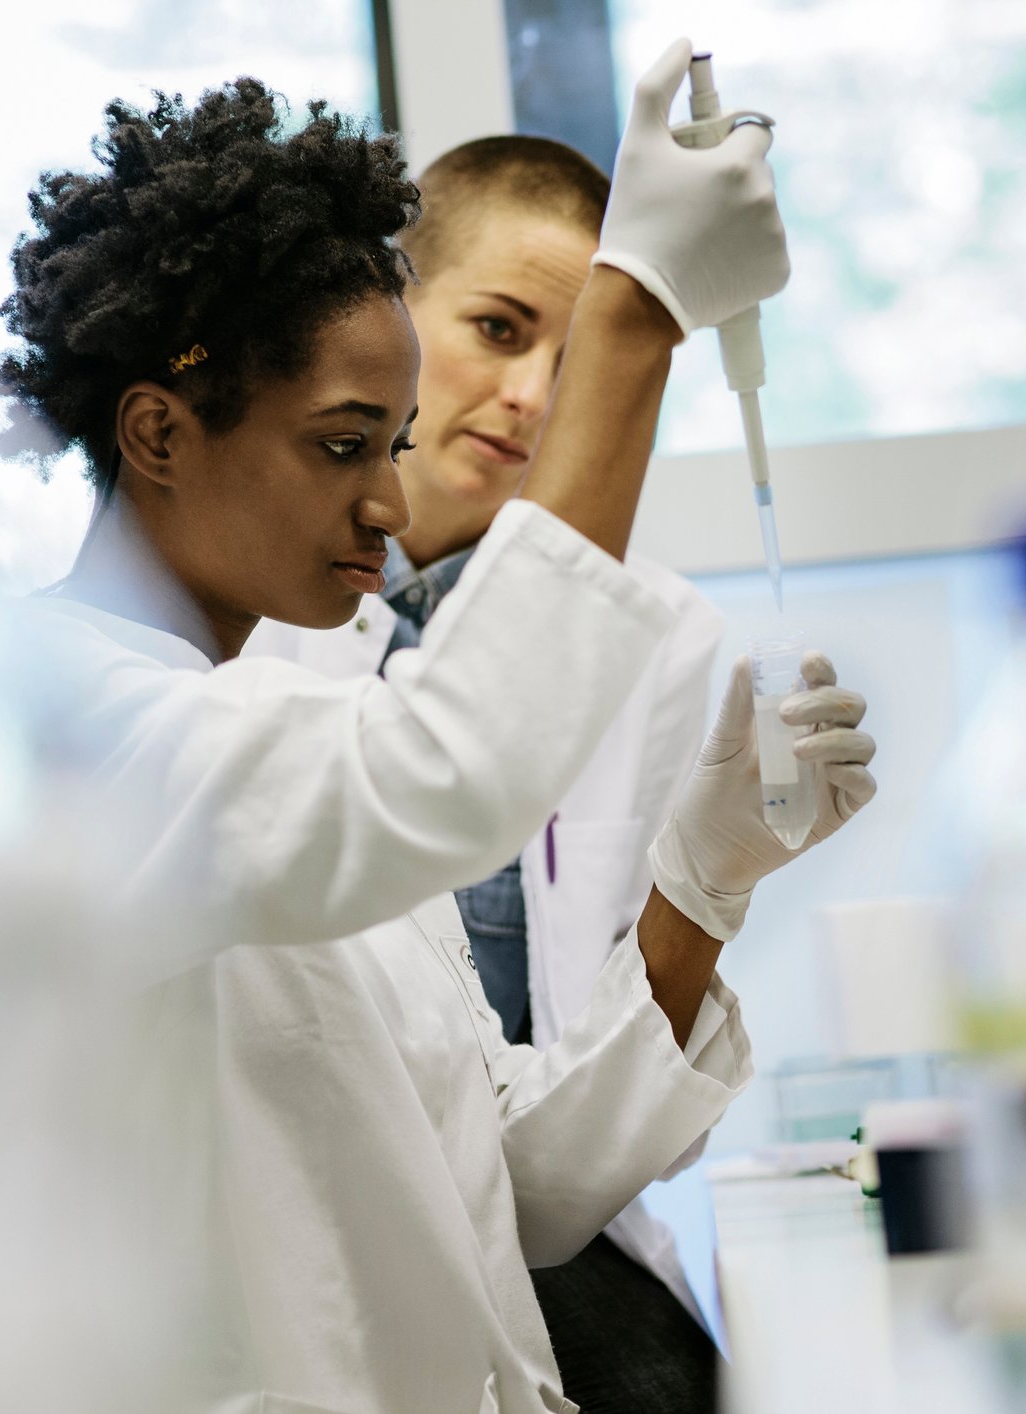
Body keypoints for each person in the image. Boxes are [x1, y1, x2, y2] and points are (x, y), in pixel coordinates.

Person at [0, 44, 877, 1412]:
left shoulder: (274, 718)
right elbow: (440, 776)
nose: (391, 509)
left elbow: (510, 1189)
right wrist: (633, 314)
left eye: (394, 447)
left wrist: (703, 880)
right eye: (346, 446)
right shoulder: (52, 721)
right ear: (158, 431)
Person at [241, 135, 726, 1410]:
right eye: (498, 328)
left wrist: (712, 889)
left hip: (546, 1206)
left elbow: (567, 1148)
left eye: (575, 363)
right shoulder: (247, 636)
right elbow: (445, 770)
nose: (532, 396)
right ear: (386, 316)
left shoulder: (655, 636)